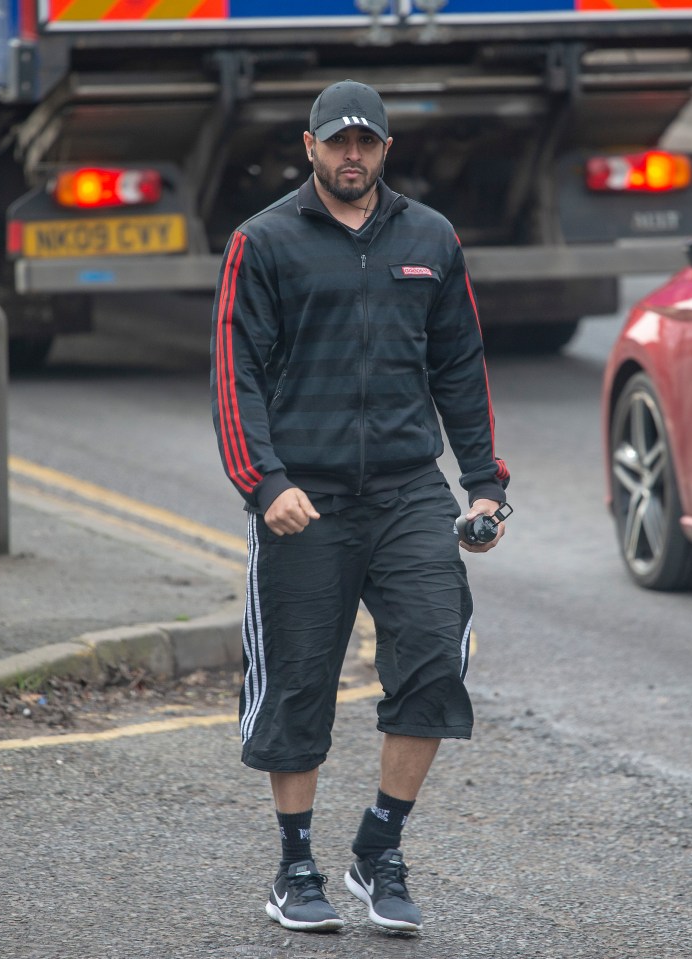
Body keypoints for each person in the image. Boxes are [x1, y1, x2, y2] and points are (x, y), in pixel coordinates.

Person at [210, 78, 510, 934]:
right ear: (309, 147)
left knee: (433, 657)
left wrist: (485, 482)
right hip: (302, 496)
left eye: (366, 143)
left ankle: (378, 849)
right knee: (298, 684)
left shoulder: (430, 238)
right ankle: (294, 863)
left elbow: (460, 365)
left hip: (409, 490)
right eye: (337, 142)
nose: (352, 155)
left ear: (385, 150)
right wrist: (265, 484)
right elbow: (237, 380)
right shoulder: (261, 241)